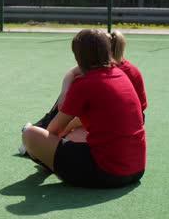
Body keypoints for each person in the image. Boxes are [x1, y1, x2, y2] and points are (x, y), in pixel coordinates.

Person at [20, 29, 146, 188]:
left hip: (108, 172)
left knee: (30, 134)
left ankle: (46, 161)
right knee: (74, 136)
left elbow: (53, 130)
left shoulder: (85, 83)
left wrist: (38, 147)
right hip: (136, 169)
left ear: (78, 57)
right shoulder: (121, 75)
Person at [33, 30, 147, 131]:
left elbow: (101, 114)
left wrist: (64, 130)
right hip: (125, 125)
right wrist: (64, 94)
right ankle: (46, 122)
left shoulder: (107, 75)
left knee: (67, 136)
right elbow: (72, 72)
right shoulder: (110, 69)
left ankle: (44, 127)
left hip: (123, 122)